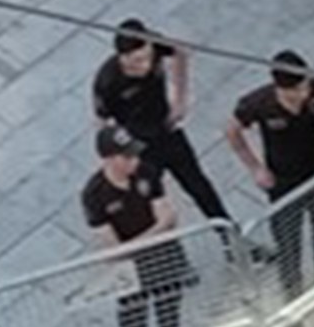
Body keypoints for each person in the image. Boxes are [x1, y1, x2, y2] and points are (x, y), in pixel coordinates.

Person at [82, 126, 205, 327]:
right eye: (126, 157)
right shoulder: (95, 195)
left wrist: (139, 241)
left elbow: (169, 217)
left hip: (165, 261)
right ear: (109, 159)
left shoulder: (147, 172)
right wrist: (154, 234)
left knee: (169, 324)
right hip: (130, 275)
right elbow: (114, 250)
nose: (134, 161)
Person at [89, 21, 225, 222]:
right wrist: (115, 161)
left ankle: (229, 235)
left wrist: (180, 98)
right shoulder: (108, 81)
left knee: (199, 186)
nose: (145, 65)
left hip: (166, 129)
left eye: (148, 57)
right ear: (123, 57)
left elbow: (180, 51)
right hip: (139, 146)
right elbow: (102, 123)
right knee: (149, 202)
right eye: (137, 61)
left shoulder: (154, 44)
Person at [226, 52, 314, 292]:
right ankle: (292, 293)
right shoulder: (259, 103)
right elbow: (232, 130)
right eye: (295, 91)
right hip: (283, 180)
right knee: (288, 241)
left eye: (304, 86)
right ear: (279, 88)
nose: (303, 94)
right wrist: (255, 168)